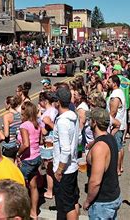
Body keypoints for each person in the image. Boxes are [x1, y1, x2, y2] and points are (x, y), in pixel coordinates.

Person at [83, 108, 121, 220]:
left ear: (94, 123)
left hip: (103, 203)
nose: (88, 122)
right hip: (113, 195)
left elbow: (95, 182)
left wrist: (88, 201)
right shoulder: (110, 138)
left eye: (90, 120)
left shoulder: (99, 147)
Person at [53, 87, 80, 220]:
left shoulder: (63, 121)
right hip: (72, 167)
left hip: (65, 170)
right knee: (73, 200)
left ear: (58, 102)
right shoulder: (73, 116)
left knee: (67, 205)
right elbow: (78, 138)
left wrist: (59, 170)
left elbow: (65, 149)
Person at [16, 101, 42, 218]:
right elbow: (40, 141)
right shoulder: (37, 124)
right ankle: (34, 212)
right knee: (33, 186)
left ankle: (21, 212)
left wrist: (18, 153)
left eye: (22, 109)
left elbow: (26, 144)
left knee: (19, 186)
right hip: (37, 157)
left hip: (27, 159)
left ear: (25, 112)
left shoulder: (24, 125)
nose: (20, 112)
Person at [38, 91, 58, 200]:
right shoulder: (54, 110)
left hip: (48, 142)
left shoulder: (46, 114)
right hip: (54, 141)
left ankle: (50, 191)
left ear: (45, 101)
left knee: (49, 168)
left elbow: (45, 131)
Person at [107, 75, 126, 175]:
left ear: (114, 83)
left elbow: (113, 111)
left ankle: (117, 169)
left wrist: (108, 123)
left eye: (109, 82)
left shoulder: (115, 95)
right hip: (120, 124)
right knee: (120, 147)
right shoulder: (119, 92)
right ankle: (120, 167)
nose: (107, 83)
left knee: (117, 148)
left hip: (116, 125)